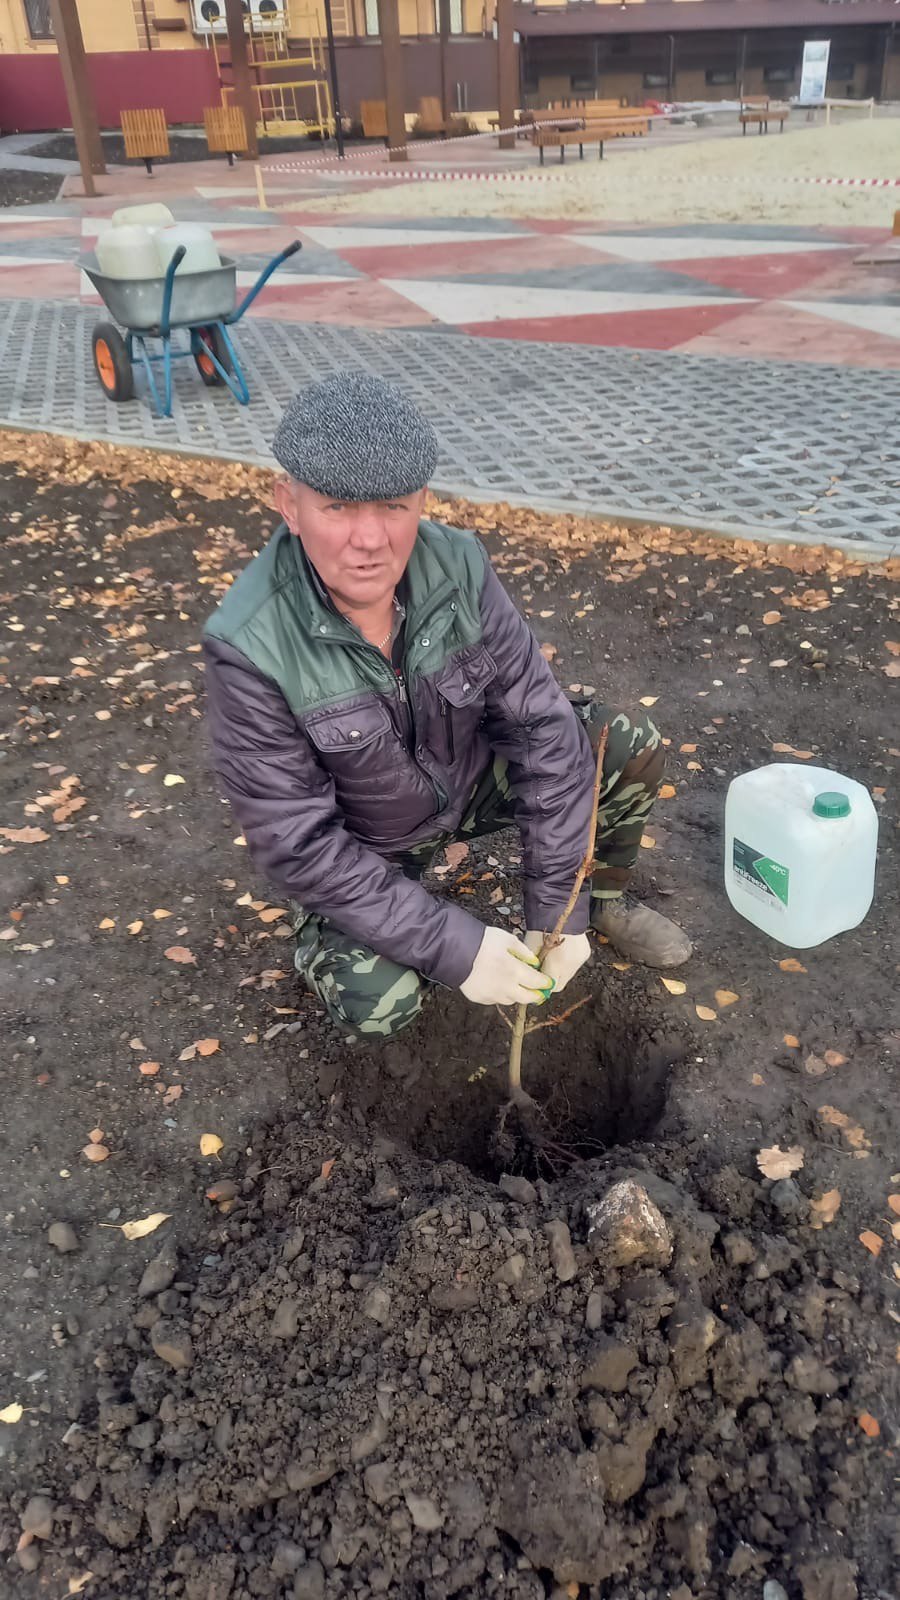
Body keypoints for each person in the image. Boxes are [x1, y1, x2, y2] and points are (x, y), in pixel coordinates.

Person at [203, 373, 691, 1039]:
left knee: (622, 741)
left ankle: (598, 898)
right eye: (339, 508)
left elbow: (540, 728)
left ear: (422, 502)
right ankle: (336, 944)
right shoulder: (249, 642)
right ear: (288, 503)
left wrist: (556, 912)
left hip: (468, 784)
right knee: (379, 1002)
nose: (369, 539)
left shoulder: (458, 568)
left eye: (393, 507)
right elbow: (299, 844)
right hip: (368, 843)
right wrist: (460, 949)